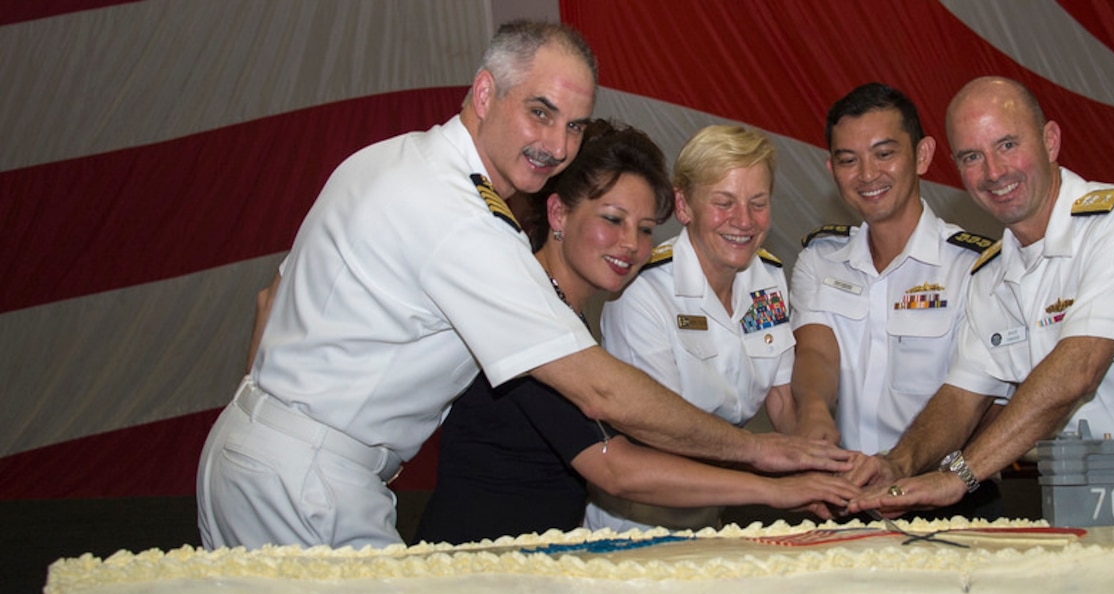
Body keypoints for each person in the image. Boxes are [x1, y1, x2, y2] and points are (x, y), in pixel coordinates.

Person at [199, 20, 848, 551]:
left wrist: (272, 427)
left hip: (253, 451)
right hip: (313, 480)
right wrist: (761, 457)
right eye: (541, 113)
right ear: (485, 94)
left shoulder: (389, 160)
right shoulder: (464, 221)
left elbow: (269, 301)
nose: (557, 144)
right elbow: (601, 399)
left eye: (573, 125)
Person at [416, 122, 858, 542]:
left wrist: (809, 449)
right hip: (470, 565)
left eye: (644, 229)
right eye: (612, 219)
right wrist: (771, 479)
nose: (630, 243)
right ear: (559, 213)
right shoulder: (527, 311)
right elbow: (618, 466)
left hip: (536, 561)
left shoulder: (561, 312)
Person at [847, 76, 1114, 527]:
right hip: (1081, 529)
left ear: (1050, 141)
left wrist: (959, 476)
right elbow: (961, 397)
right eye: (972, 157)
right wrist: (899, 464)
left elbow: (1079, 369)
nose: (993, 172)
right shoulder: (990, 275)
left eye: (1008, 144)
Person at [788, 83, 1001, 518]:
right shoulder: (819, 259)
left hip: (950, 500)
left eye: (884, 154)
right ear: (832, 168)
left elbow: (991, 401)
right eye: (849, 160)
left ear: (922, 156)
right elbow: (816, 352)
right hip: (844, 497)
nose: (867, 174)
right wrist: (813, 417)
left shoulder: (975, 266)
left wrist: (929, 470)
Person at [586, 125, 796, 533]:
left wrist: (822, 459)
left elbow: (783, 399)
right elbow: (659, 435)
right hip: (634, 525)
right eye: (724, 202)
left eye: (758, 203)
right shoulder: (644, 292)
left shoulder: (768, 281)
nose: (744, 221)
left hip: (713, 513)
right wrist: (771, 466)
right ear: (683, 205)